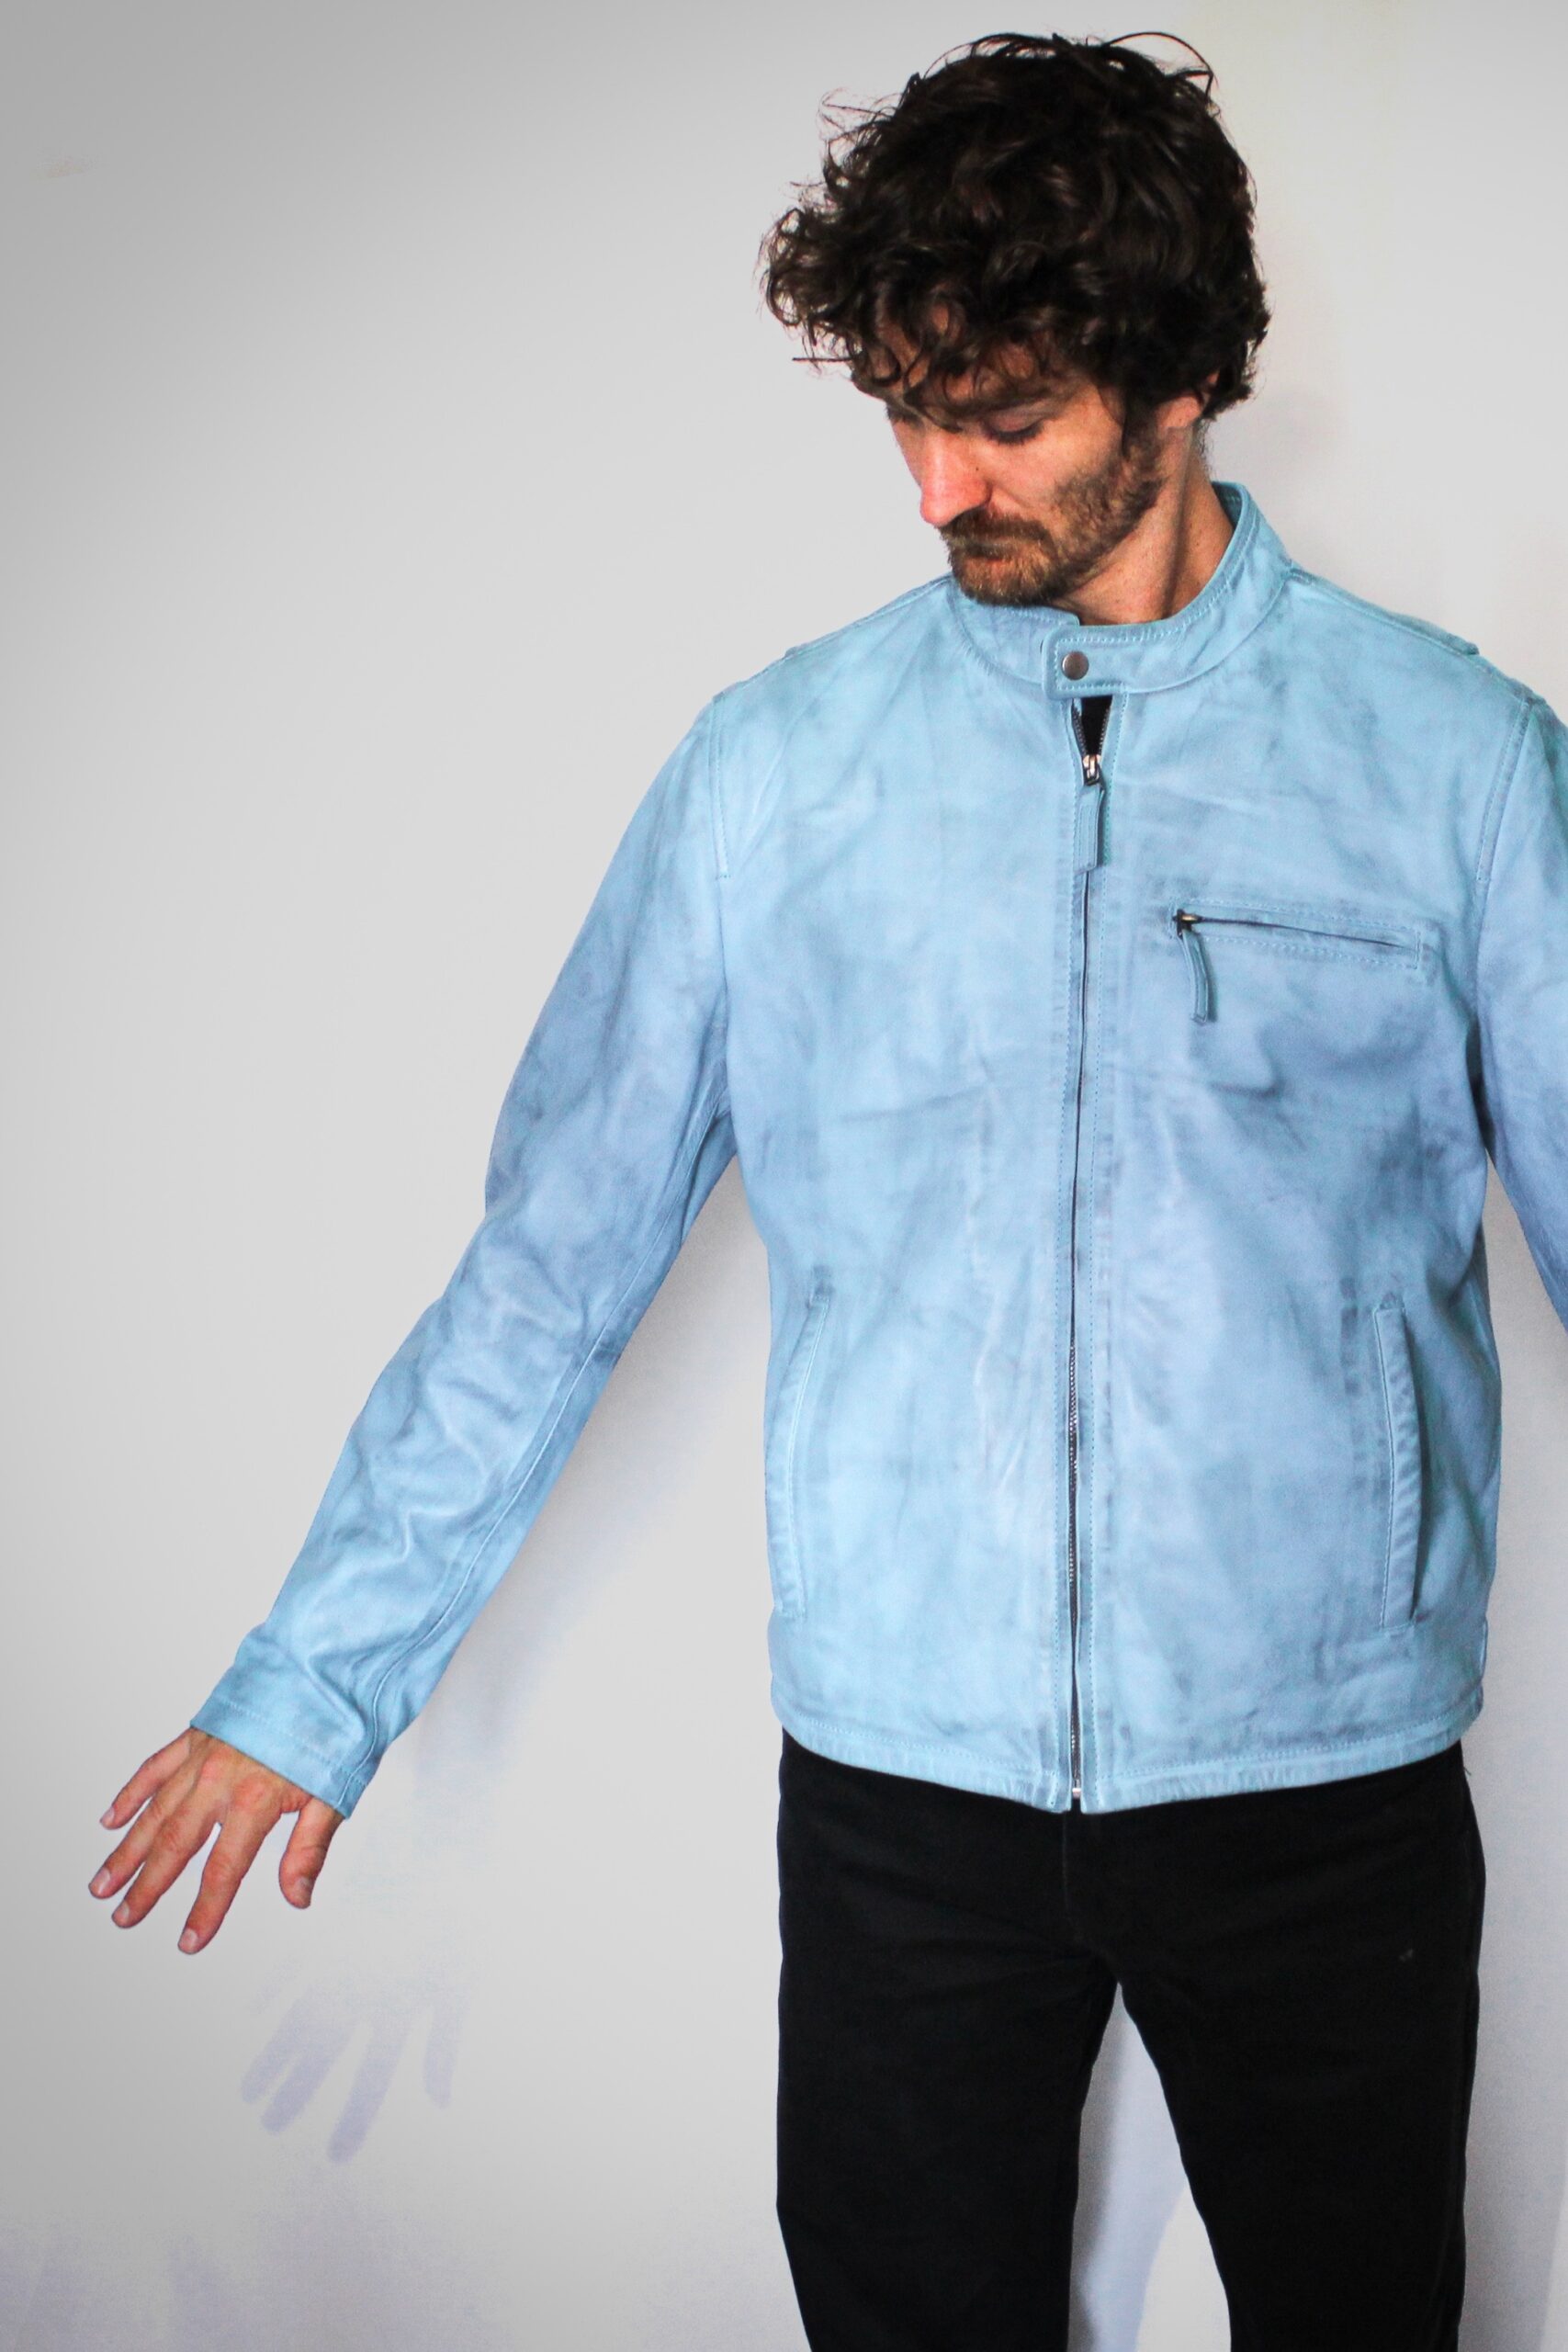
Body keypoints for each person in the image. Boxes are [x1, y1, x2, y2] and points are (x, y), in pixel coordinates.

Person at [89, 28, 1566, 2347]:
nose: (934, 482)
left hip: (1320, 1787)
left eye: (1002, 416)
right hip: (905, 1804)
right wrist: (314, 1677)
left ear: (1180, 375)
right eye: (903, 410)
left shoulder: (1451, 766)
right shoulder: (772, 776)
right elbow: (550, 1261)